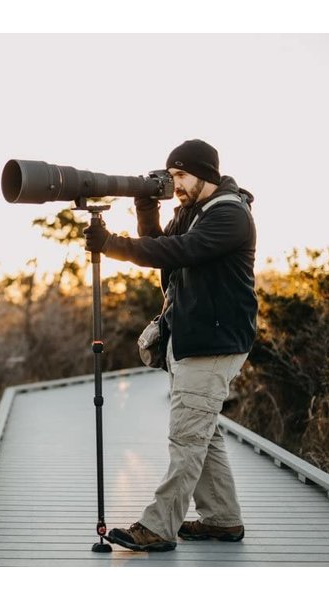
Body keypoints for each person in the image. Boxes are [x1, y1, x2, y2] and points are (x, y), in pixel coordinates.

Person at [84, 139, 258, 552]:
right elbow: (163, 253)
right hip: (196, 340)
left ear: (206, 174)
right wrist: (147, 205)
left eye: (181, 175)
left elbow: (181, 250)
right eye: (172, 176)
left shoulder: (231, 215)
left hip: (214, 344)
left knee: (186, 437)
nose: (175, 184)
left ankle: (159, 526)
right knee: (203, 432)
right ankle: (222, 519)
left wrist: (111, 244)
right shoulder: (192, 211)